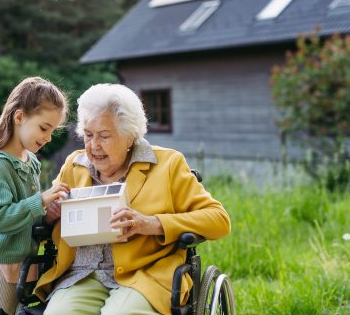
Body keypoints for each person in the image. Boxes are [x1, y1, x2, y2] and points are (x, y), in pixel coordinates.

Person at [34, 83, 231, 315]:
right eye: (88, 135)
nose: (94, 145)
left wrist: (151, 224)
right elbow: (46, 215)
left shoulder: (168, 164)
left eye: (104, 136)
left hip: (146, 274)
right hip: (80, 275)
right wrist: (50, 214)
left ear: (129, 137)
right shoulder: (74, 165)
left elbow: (219, 220)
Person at [0, 77, 71, 315]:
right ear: (19, 117)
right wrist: (40, 200)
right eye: (43, 128)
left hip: (27, 264)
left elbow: (27, 216)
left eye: (52, 131)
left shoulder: (32, 162)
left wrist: (48, 214)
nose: (48, 138)